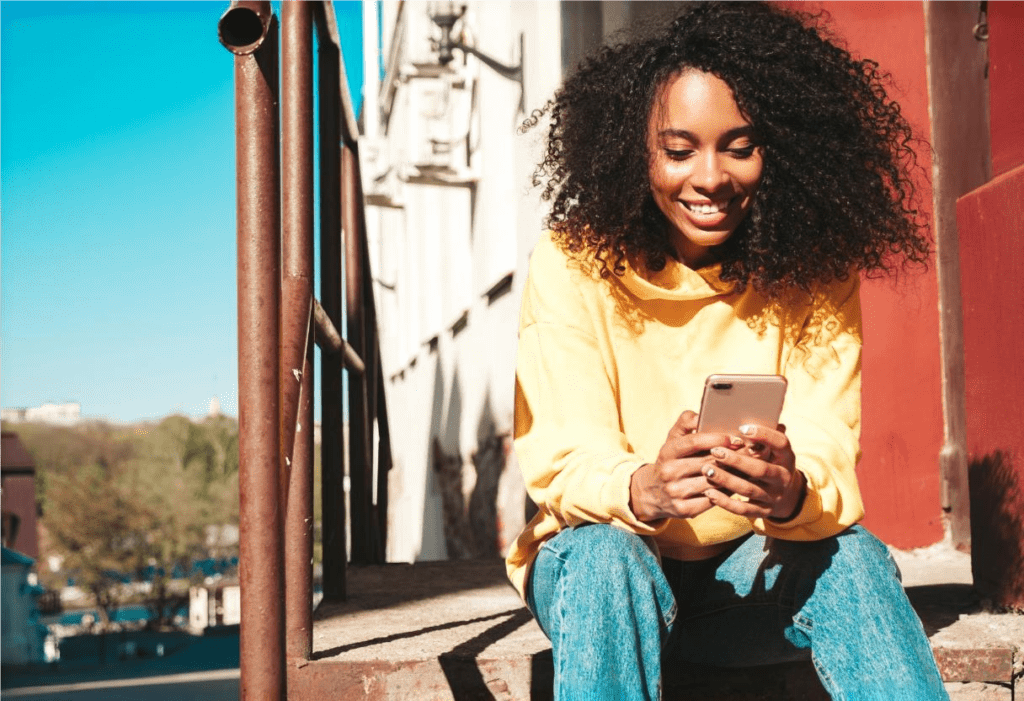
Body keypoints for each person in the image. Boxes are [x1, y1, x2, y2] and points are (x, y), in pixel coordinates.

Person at [506, 1, 948, 699]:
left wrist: (792, 490)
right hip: (604, 580)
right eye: (678, 150)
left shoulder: (814, 265)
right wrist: (643, 487)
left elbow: (830, 441)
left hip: (749, 577)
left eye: (739, 146)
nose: (709, 178)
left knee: (852, 557)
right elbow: (561, 456)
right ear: (634, 147)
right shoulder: (573, 262)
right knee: (604, 556)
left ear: (780, 149)